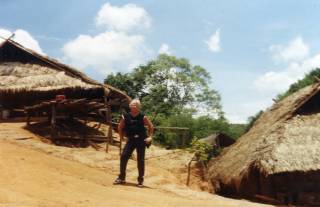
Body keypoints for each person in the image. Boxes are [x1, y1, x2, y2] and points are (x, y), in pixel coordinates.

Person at [113, 99, 154, 187]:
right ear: (130, 106)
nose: (133, 106)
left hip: (141, 140)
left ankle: (140, 180)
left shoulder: (143, 116)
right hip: (131, 140)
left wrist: (150, 137)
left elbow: (151, 127)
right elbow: (120, 127)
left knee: (140, 160)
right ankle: (121, 178)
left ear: (138, 107)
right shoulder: (125, 116)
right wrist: (121, 137)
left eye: (135, 105)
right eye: (132, 105)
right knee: (123, 156)